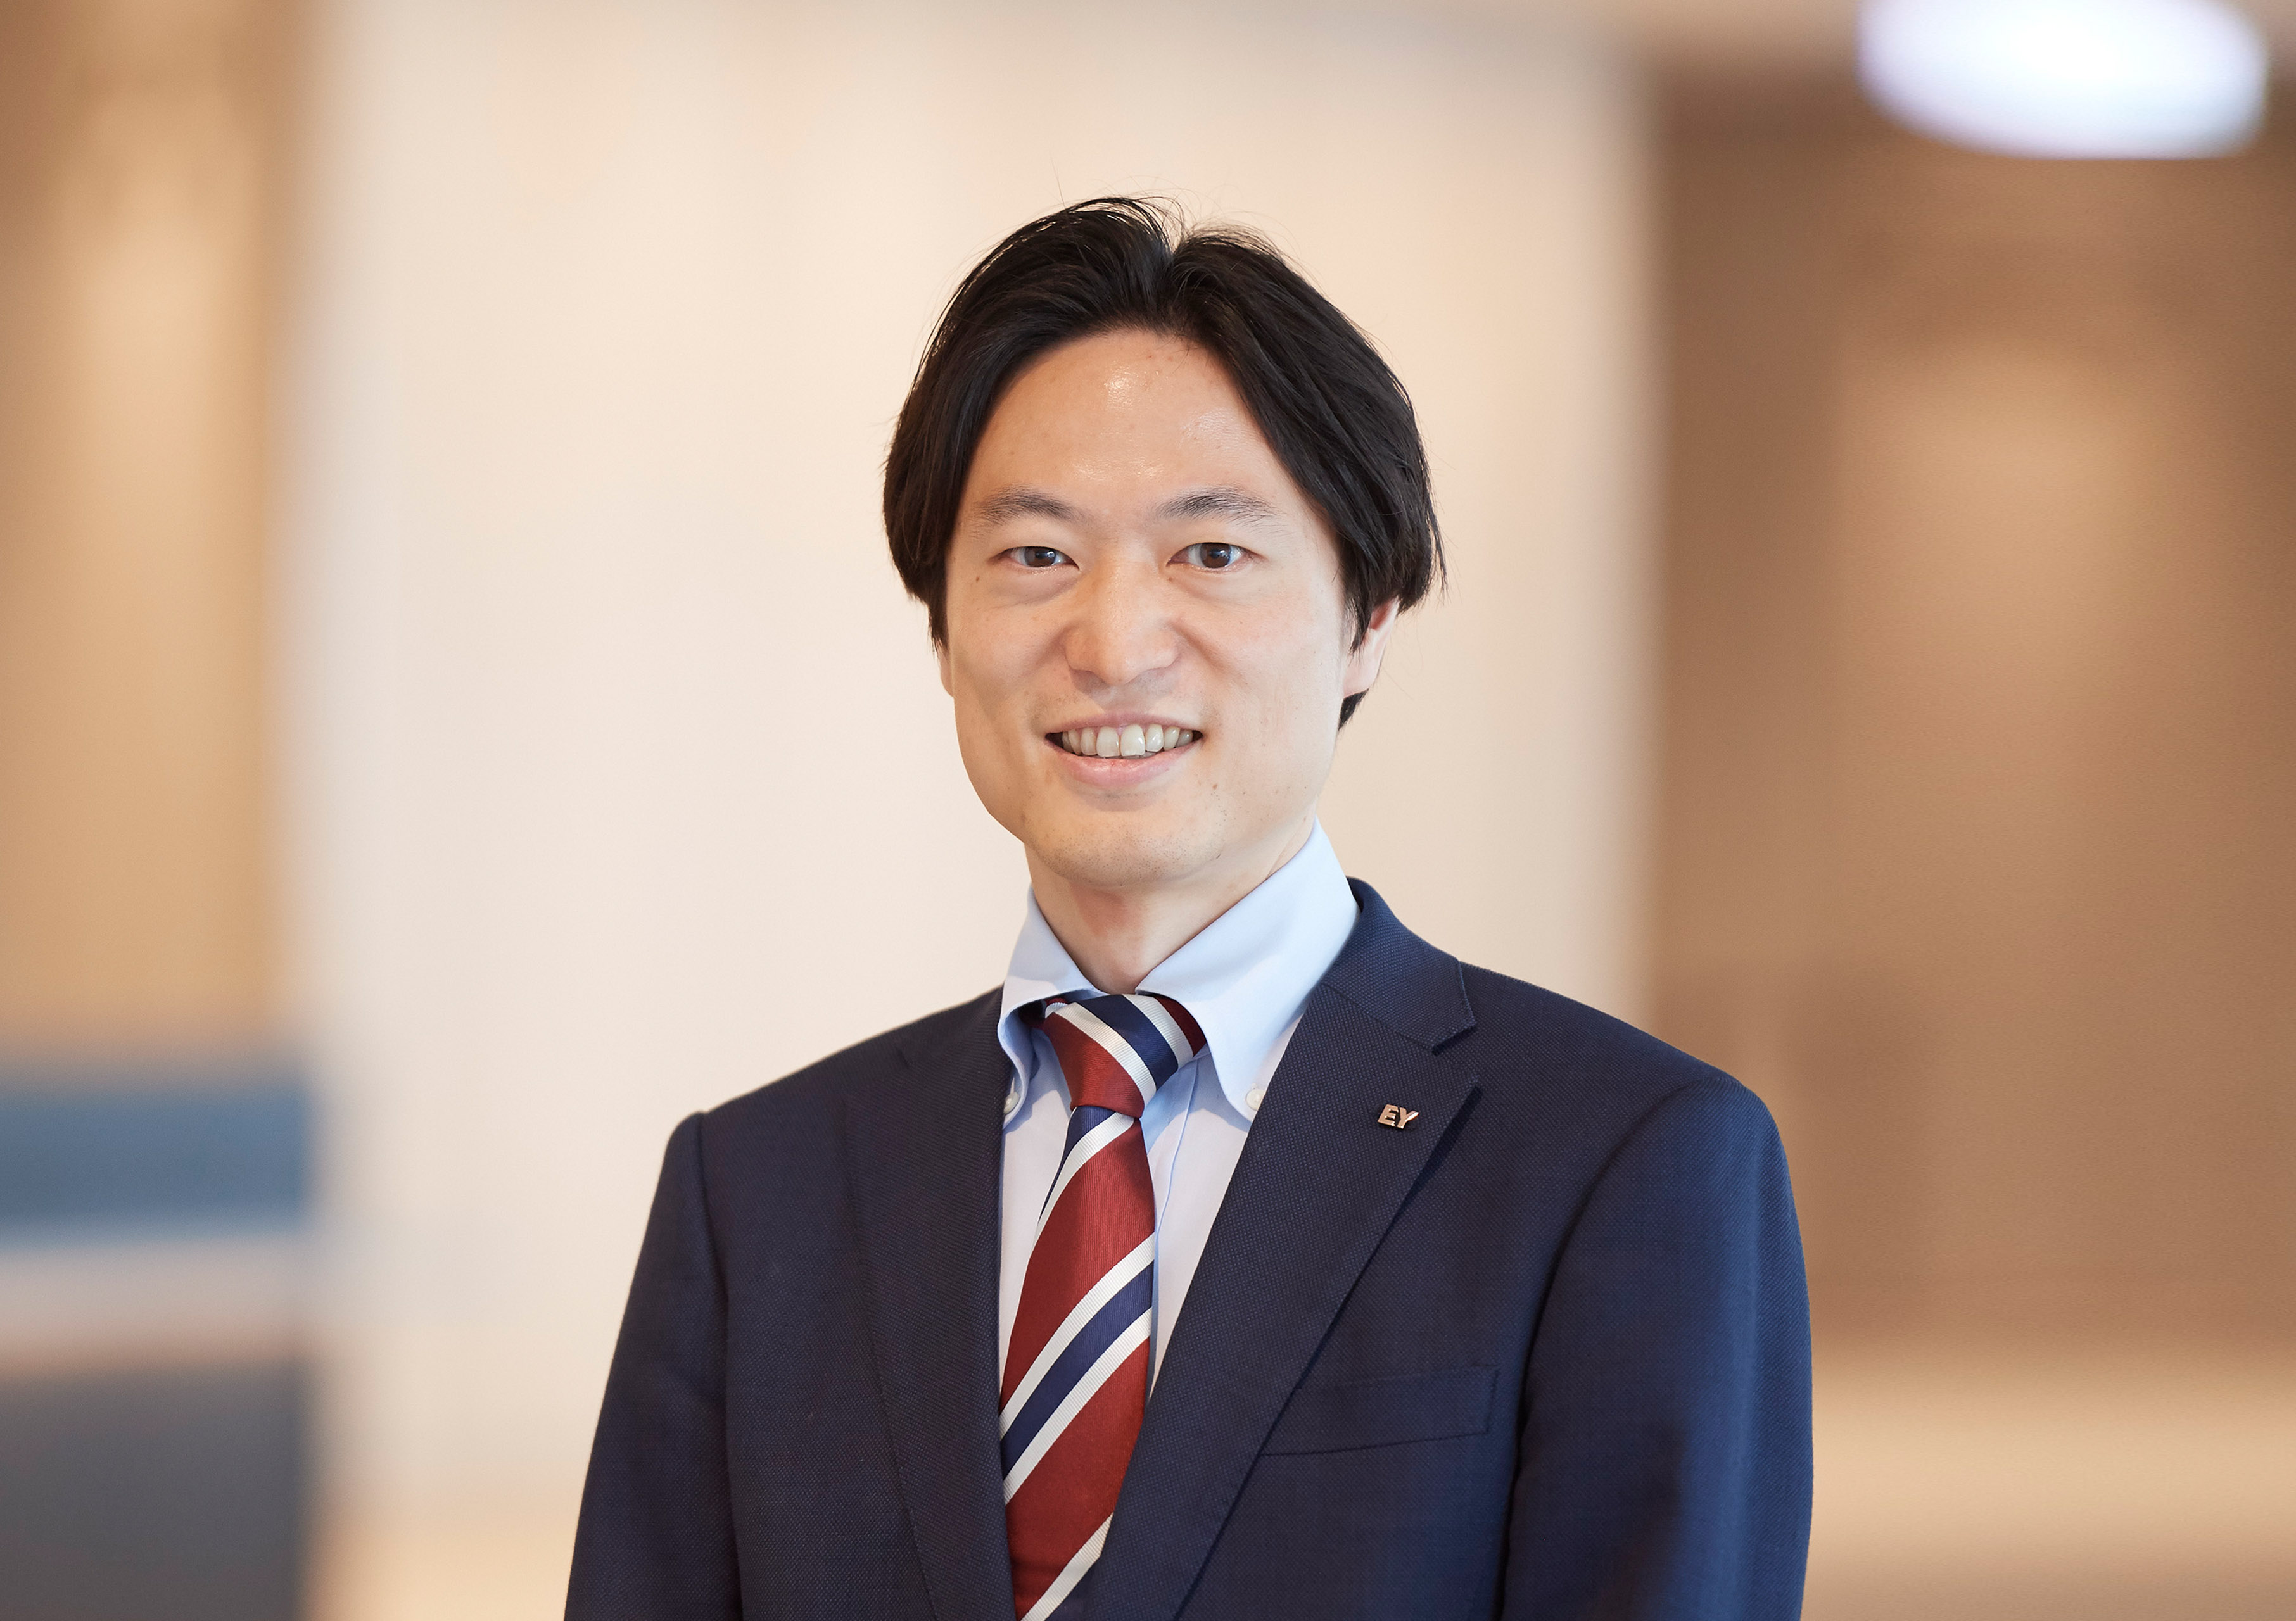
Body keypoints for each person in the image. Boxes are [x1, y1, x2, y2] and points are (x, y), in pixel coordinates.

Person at [566, 198, 1809, 1621]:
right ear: (942, 629)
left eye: (1210, 554)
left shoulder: (1627, 1163)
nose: (1113, 643)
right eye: (1037, 555)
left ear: (1367, 615)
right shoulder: (757, 1192)